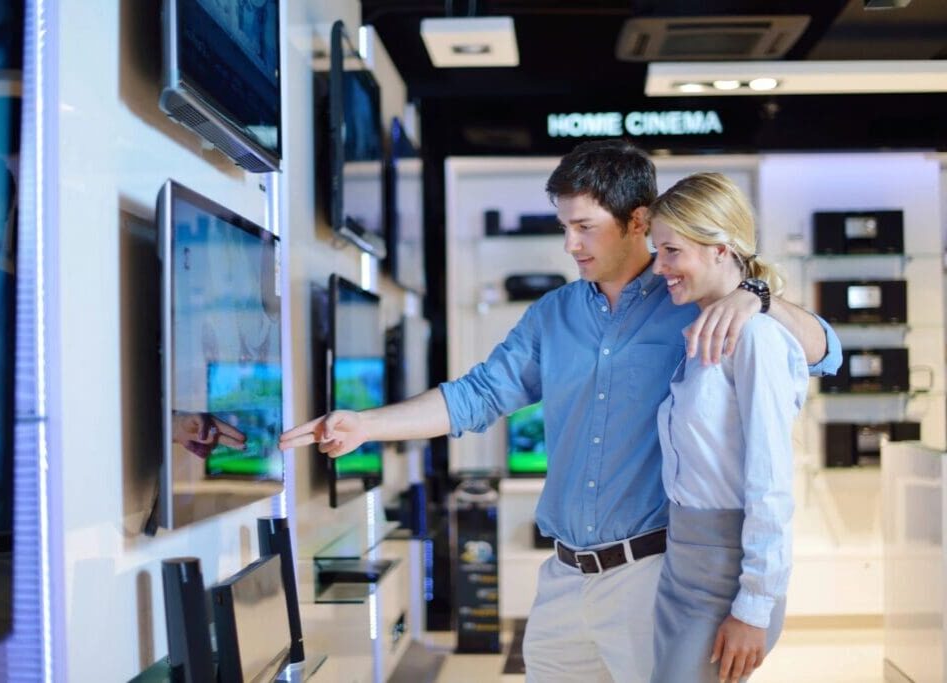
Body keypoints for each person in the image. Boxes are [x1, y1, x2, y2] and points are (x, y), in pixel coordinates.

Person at [279, 140, 841, 682]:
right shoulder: (554, 314)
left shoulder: (690, 300)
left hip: (652, 574)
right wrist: (366, 424)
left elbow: (824, 353)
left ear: (638, 221)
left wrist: (757, 294)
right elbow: (477, 396)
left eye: (585, 227)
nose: (571, 244)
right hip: (563, 580)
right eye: (564, 227)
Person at [648, 172, 807, 683]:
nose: (659, 267)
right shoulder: (701, 333)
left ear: (720, 247)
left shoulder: (757, 336)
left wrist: (755, 605)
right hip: (680, 567)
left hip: (727, 576)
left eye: (671, 250)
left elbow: (772, 481)